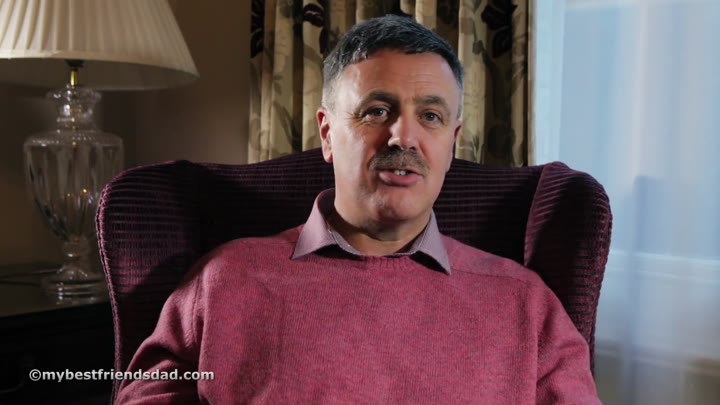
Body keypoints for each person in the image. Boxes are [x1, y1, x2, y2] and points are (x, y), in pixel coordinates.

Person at [116, 15, 601, 404]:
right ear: (328, 134)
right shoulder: (224, 281)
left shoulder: (525, 305)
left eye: (430, 116)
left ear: (452, 142)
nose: (403, 137)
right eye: (376, 111)